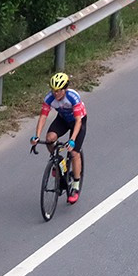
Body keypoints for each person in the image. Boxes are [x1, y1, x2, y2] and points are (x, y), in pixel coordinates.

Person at [31, 72, 86, 204]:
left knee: (73, 153)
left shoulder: (73, 97)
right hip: (62, 120)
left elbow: (78, 121)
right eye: (53, 90)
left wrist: (72, 139)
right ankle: (57, 161)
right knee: (50, 138)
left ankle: (75, 186)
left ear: (65, 89)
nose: (56, 94)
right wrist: (37, 136)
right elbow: (43, 117)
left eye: (59, 91)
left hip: (78, 122)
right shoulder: (49, 98)